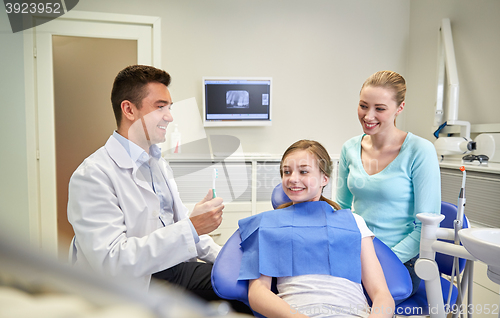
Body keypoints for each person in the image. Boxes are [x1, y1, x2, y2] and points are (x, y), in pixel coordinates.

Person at [67, 65, 225, 299]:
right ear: (129, 109)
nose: (170, 116)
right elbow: (112, 262)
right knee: (240, 292)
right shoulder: (93, 175)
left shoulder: (157, 164)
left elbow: (184, 225)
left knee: (241, 280)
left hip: (168, 266)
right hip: (130, 285)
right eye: (160, 107)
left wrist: (227, 257)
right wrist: (192, 226)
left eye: (169, 108)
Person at [237, 140, 394, 318]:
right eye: (286, 172)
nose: (293, 178)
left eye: (304, 171)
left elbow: (382, 294)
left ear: (324, 178)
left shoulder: (354, 222)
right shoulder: (268, 223)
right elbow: (257, 293)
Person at [336, 70, 441, 300]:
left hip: (401, 261)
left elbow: (425, 228)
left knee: (351, 303)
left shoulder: (420, 151)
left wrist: (378, 261)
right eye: (363, 106)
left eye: (379, 108)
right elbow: (341, 209)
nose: (368, 115)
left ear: (399, 108)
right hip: (358, 252)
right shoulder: (349, 148)